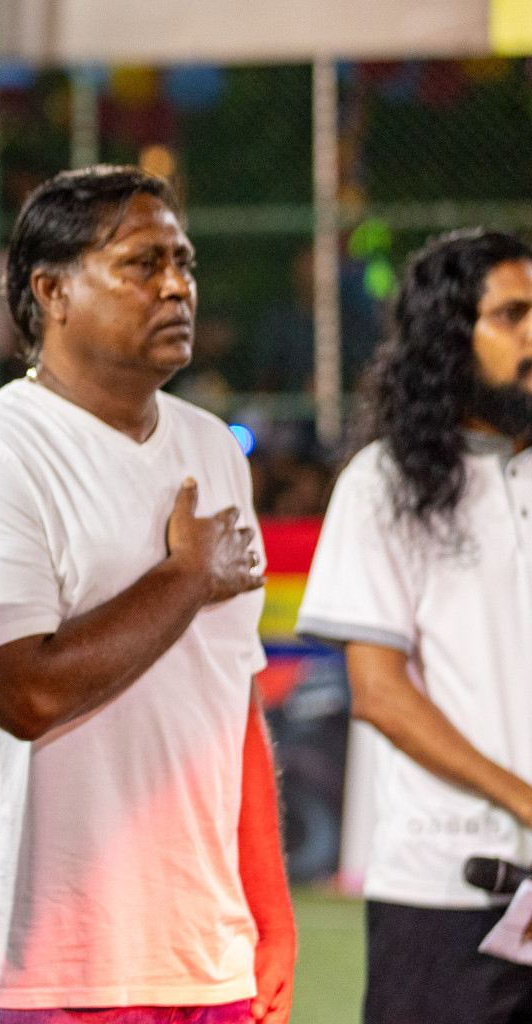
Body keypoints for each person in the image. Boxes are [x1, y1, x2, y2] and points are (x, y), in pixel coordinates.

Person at [0, 166, 296, 1024]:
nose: (176, 285)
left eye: (185, 262)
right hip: (50, 967)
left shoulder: (212, 447)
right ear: (50, 290)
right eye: (141, 263)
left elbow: (232, 698)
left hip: (207, 955)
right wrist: (185, 578)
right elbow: (22, 690)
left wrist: (267, 913)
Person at [296, 229, 532, 1024]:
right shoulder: (384, 484)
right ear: (448, 339)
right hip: (447, 899)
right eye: (513, 315)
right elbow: (380, 695)